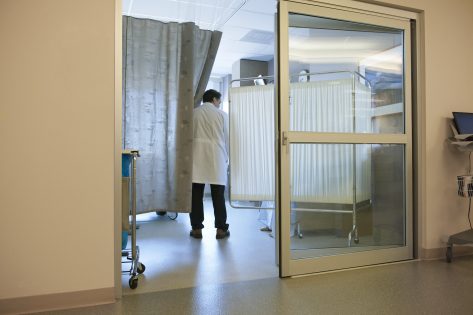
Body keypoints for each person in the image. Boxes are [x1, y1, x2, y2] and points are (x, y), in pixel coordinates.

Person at [190, 89, 230, 239]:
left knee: (195, 195)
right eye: (219, 101)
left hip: (196, 158)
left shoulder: (194, 113)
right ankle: (221, 229)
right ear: (214, 99)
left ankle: (196, 229)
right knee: (218, 195)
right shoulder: (222, 115)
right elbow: (228, 138)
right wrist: (228, 157)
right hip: (217, 158)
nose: (219, 104)